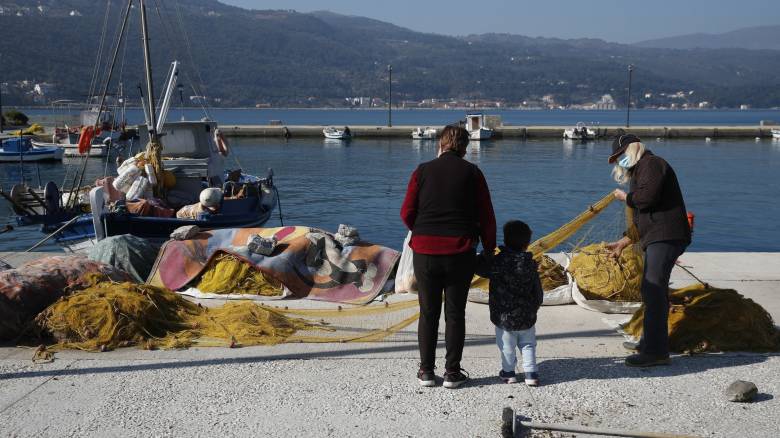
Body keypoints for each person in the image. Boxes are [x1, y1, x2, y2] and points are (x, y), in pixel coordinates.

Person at [400, 125, 496, 389]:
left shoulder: (422, 171)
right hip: (460, 252)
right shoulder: (473, 173)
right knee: (455, 313)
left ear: (440, 145)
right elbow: (487, 217)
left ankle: (426, 372)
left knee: (428, 312)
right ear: (465, 148)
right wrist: (489, 249)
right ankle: (452, 373)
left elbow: (406, 212)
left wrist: (421, 231)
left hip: (425, 252)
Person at [606, 134, 691, 367]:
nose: (619, 161)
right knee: (653, 291)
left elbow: (647, 199)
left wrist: (626, 197)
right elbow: (642, 218)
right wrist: (624, 241)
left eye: (621, 156)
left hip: (666, 235)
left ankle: (656, 353)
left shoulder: (652, 164)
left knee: (653, 289)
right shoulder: (641, 170)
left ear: (631, 149)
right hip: (657, 236)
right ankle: (650, 343)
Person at [476, 220, 543, 387]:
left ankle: (509, 373)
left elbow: (479, 269)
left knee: (507, 346)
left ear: (505, 241)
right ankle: (531, 374)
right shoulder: (530, 264)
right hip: (527, 315)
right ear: (527, 243)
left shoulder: (498, 262)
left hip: (503, 316)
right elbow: (538, 292)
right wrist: (534, 308)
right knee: (528, 345)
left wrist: (484, 255)